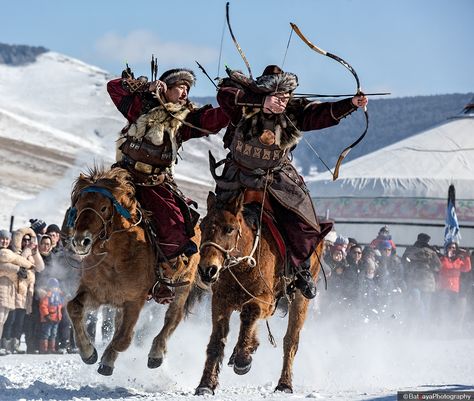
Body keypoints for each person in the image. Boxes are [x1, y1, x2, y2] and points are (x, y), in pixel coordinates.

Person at [213, 65, 368, 299]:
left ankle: (301, 271)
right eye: (277, 96)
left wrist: (351, 104)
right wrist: (260, 103)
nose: (282, 101)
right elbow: (224, 94)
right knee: (214, 220)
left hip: (275, 177)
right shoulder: (242, 105)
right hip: (237, 177)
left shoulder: (294, 112)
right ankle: (204, 268)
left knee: (303, 223)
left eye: (286, 96)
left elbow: (321, 113)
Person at [107, 67, 229, 302]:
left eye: (187, 89)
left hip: (156, 183)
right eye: (180, 88)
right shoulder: (139, 106)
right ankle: (81, 245)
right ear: (166, 88)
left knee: (177, 225)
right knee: (91, 197)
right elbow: (113, 87)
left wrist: (235, 102)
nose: (185, 93)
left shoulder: (185, 120)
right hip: (125, 177)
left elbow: (214, 120)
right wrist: (145, 86)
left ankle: (161, 279)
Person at [1, 228, 44, 354]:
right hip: (13, 290)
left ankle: (16, 343)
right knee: (10, 320)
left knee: (20, 320)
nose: (26, 242)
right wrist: (26, 250)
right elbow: (20, 262)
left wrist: (35, 252)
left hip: (26, 293)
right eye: (24, 240)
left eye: (29, 240)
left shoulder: (31, 254)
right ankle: (5, 344)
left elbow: (40, 267)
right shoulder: (15, 252)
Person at [402, 233, 441, 325]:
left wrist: (410, 268)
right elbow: (438, 266)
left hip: (414, 279)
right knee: (425, 305)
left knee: (417, 303)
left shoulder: (410, 250)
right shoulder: (431, 252)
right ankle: (423, 326)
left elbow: (403, 262)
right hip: (427, 281)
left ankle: (417, 324)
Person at [438, 240, 471, 325]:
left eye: (454, 248)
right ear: (446, 249)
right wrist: (447, 258)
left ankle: (452, 329)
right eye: (450, 248)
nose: (452, 249)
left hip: (454, 290)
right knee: (444, 311)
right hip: (444, 290)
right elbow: (444, 268)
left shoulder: (458, 261)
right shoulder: (442, 259)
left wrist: (467, 256)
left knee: (453, 310)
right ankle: (443, 328)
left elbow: (467, 268)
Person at [38, 277, 64, 353]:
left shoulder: (59, 295)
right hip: (48, 319)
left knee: (54, 334)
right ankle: (44, 349)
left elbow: (60, 306)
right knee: (46, 333)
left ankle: (52, 348)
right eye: (53, 287)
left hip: (56, 318)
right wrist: (46, 315)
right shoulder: (47, 295)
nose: (55, 288)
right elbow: (43, 306)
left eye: (56, 287)